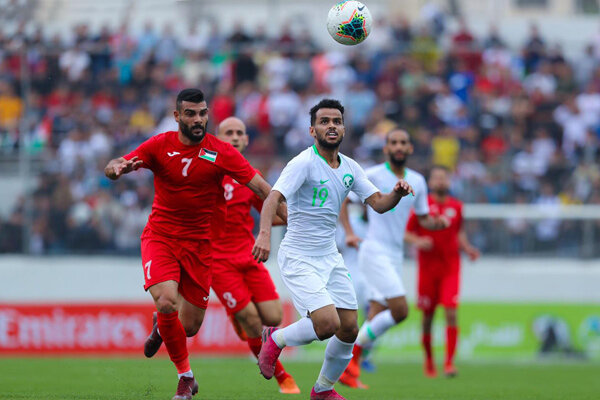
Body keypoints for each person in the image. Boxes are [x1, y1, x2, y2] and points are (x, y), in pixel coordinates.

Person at [104, 89, 283, 400]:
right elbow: (125, 160)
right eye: (190, 114)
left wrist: (287, 214)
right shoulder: (160, 145)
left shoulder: (221, 151)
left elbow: (261, 187)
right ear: (177, 116)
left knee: (188, 327)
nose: (198, 119)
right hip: (161, 236)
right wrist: (115, 167)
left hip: (200, 246)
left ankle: (162, 326)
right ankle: (185, 378)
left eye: (202, 113)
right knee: (166, 299)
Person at [252, 99, 414, 400]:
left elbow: (378, 204)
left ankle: (323, 390)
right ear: (313, 130)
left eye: (336, 121)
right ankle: (276, 338)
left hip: (330, 257)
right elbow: (272, 198)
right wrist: (263, 235)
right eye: (324, 121)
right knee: (327, 324)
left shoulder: (351, 167)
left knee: (350, 329)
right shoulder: (302, 163)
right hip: (299, 255)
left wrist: (396, 194)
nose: (331, 126)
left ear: (344, 128)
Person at [338, 129, 448, 389]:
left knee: (376, 314)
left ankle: (348, 369)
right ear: (386, 149)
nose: (398, 146)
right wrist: (350, 233)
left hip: (395, 255)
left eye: (403, 143)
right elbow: (345, 201)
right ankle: (351, 352)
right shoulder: (374, 175)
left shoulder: (419, 181)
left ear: (410, 149)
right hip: (374, 251)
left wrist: (437, 223)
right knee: (400, 311)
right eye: (393, 143)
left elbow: (422, 220)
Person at [212, 116, 300, 394]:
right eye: (229, 133)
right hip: (218, 262)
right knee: (251, 319)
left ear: (247, 140)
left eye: (240, 133)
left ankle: (240, 321)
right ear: (217, 139)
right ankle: (282, 376)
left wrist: (294, 218)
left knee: (274, 317)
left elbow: (269, 211)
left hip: (248, 256)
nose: (235, 137)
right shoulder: (206, 171)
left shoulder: (249, 176)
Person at [404, 165, 480, 378]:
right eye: (436, 178)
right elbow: (407, 233)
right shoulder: (422, 205)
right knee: (427, 318)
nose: (440, 182)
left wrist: (468, 248)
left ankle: (449, 363)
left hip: (450, 268)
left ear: (449, 181)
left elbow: (459, 233)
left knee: (451, 312)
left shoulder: (457, 206)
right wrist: (419, 241)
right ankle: (429, 360)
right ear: (430, 182)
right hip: (428, 269)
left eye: (443, 178)